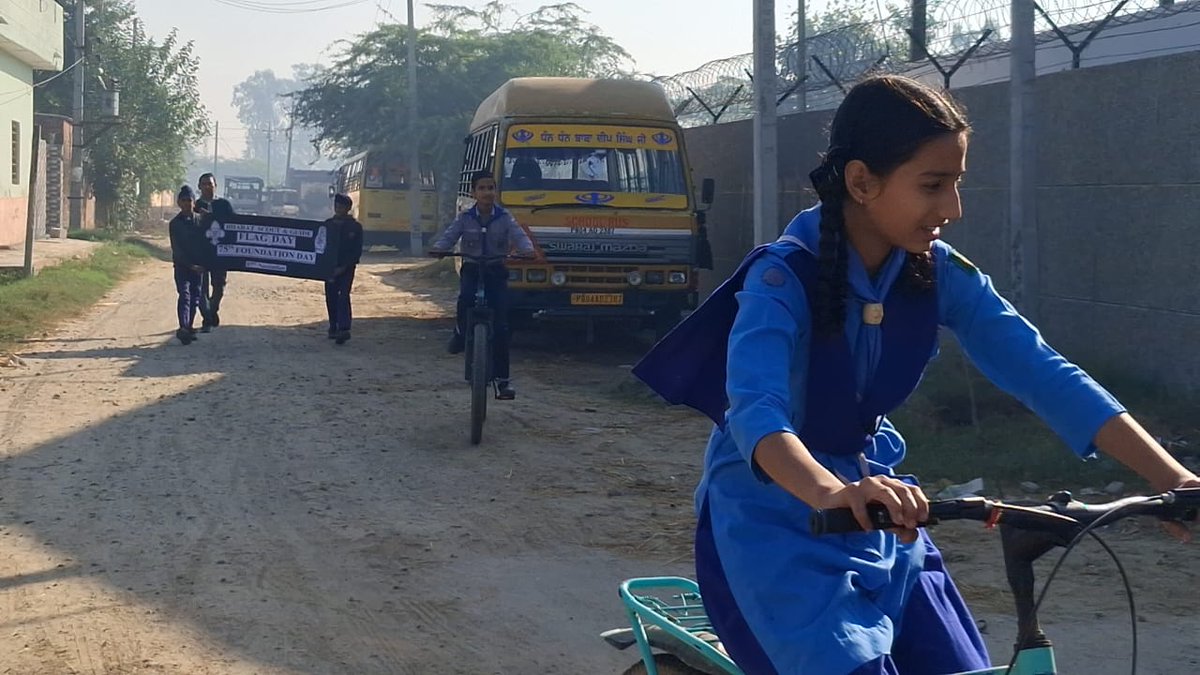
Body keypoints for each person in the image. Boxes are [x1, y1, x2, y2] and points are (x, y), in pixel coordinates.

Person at [632, 74, 1200, 675]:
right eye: (933, 185)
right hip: (771, 531)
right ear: (861, 181)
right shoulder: (780, 281)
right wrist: (833, 492)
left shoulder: (938, 272)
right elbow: (756, 415)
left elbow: (1045, 372)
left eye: (956, 184)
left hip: (883, 514)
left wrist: (1177, 482)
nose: (952, 208)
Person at [428, 170, 536, 400]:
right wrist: (439, 248)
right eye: (482, 188)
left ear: (496, 191)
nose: (487, 193)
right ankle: (460, 332)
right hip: (472, 268)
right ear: (473, 192)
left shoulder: (505, 217)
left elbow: (519, 236)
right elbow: (450, 236)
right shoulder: (465, 218)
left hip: (496, 270)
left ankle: (503, 380)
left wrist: (528, 251)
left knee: (501, 327)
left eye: (491, 188)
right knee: (465, 300)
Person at [168, 185, 205, 345]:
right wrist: (191, 265)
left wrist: (204, 264)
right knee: (185, 295)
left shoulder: (201, 221)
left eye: (189, 200)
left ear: (194, 202)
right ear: (178, 202)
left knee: (195, 298)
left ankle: (189, 327)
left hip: (199, 267)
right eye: (183, 200)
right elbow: (177, 249)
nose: (186, 203)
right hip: (183, 266)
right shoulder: (175, 224)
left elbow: (209, 243)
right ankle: (183, 327)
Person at [325, 193, 363, 345]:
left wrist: (343, 267)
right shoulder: (327, 225)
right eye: (336, 206)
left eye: (341, 207)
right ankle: (333, 326)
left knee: (343, 296)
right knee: (331, 296)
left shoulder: (355, 227)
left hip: (347, 268)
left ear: (348, 208)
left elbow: (356, 251)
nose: (338, 209)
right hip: (329, 268)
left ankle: (344, 328)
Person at [195, 172, 228, 332]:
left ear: (216, 186)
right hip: (200, 251)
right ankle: (207, 319)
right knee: (201, 288)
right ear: (199, 187)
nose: (208, 187)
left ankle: (212, 311)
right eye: (204, 184)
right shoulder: (194, 205)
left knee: (219, 286)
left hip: (220, 253)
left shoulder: (224, 205)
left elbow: (234, 225)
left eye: (210, 184)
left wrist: (212, 217)